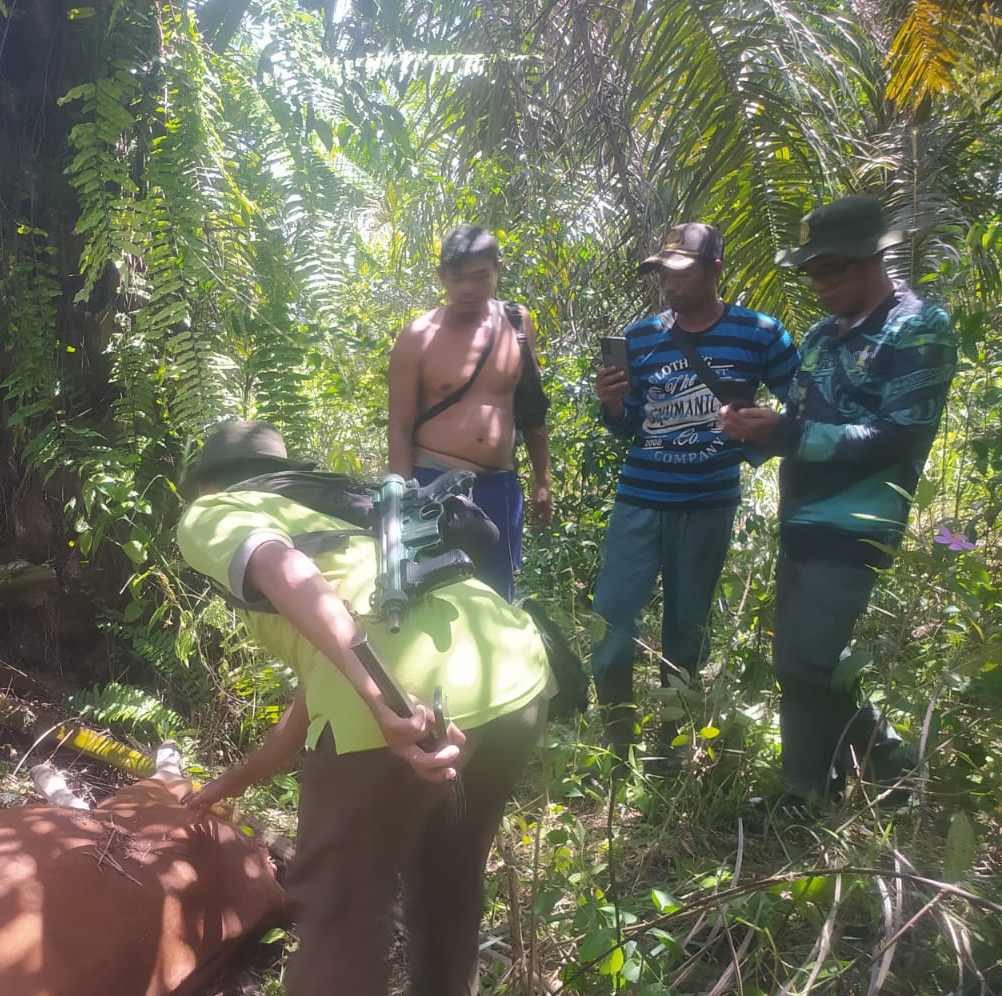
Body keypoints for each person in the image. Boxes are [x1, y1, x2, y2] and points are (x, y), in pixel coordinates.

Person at [177, 421, 552, 996]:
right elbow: (309, 697)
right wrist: (230, 785)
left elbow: (282, 573)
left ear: (206, 486)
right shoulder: (344, 507)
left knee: (340, 939)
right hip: (515, 676)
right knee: (448, 875)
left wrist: (383, 698)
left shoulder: (215, 513)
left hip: (398, 697)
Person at [722, 195, 957, 806]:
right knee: (808, 660)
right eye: (812, 273)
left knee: (805, 663)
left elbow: (900, 435)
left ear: (872, 257)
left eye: (833, 270)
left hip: (860, 517)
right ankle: (874, 772)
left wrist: (789, 434)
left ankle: (814, 791)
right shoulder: (824, 335)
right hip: (801, 515)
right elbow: (797, 420)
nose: (820, 285)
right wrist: (757, 431)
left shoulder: (918, 325)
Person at [590, 223, 799, 764]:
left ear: (715, 270)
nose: (670, 286)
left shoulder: (760, 334)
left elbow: (803, 405)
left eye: (681, 274)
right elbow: (631, 425)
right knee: (612, 624)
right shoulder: (641, 337)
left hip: (708, 504)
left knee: (687, 633)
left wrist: (768, 425)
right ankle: (617, 744)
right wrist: (613, 405)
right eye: (663, 274)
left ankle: (671, 750)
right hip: (640, 499)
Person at [386, 224, 553, 601]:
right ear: (441, 276)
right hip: (434, 484)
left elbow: (530, 407)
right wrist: (400, 507)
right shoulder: (418, 336)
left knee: (496, 598)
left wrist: (542, 479)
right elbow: (399, 426)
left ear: (498, 269)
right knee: (436, 598)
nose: (468, 289)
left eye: (480, 276)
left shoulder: (516, 322)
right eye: (457, 278)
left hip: (500, 485)